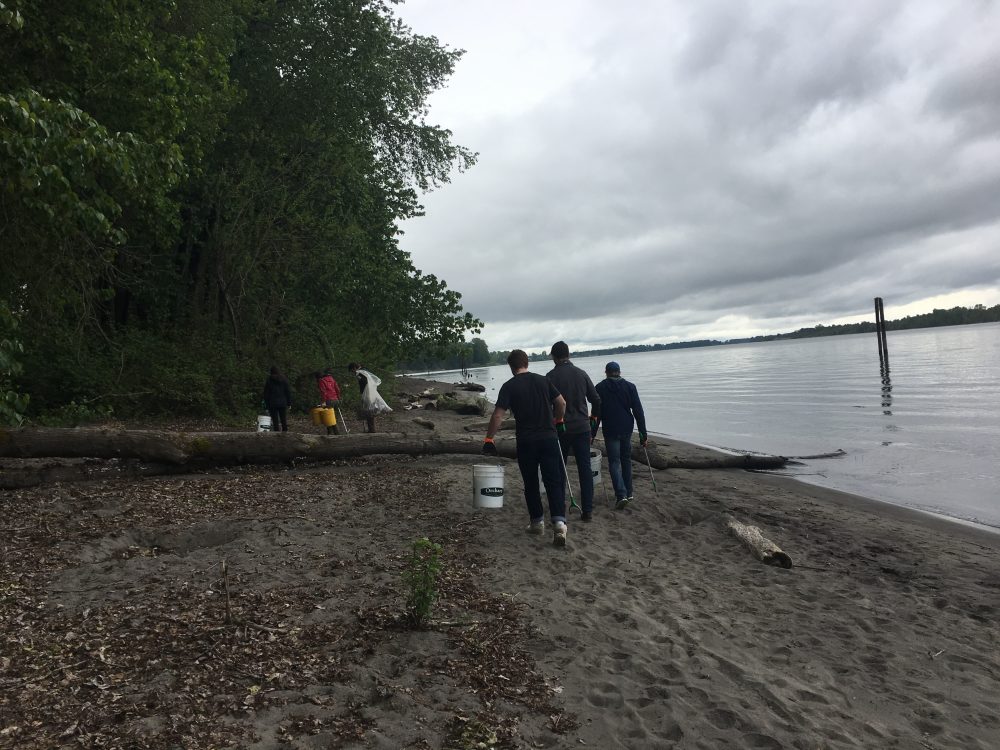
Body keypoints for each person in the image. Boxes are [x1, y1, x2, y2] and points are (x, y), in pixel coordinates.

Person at [482, 349, 570, 547]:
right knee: (553, 481)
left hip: (526, 441)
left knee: (530, 483)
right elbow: (561, 402)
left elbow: (497, 415)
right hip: (548, 438)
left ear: (511, 366)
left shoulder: (509, 386)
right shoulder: (543, 380)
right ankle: (559, 524)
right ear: (527, 363)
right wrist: (559, 420)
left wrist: (489, 438)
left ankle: (537, 522)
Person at [546, 341, 601, 522]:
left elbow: (547, 406)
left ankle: (560, 510)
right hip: (582, 428)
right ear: (568, 355)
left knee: (559, 469)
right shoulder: (581, 374)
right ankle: (587, 510)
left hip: (560, 429)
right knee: (584, 469)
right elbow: (596, 400)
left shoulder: (551, 377)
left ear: (555, 357)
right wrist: (593, 420)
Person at [593, 361, 647, 509]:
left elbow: (596, 414)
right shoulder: (630, 387)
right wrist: (643, 433)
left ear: (606, 372)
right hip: (626, 428)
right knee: (626, 460)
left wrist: (592, 434)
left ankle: (621, 495)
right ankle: (628, 492)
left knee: (614, 462)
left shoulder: (599, 388)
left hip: (610, 430)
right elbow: (638, 411)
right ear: (619, 372)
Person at [347, 363, 392, 432]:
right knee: (370, 411)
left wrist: (359, 378)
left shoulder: (360, 373)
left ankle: (372, 430)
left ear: (354, 368)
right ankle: (371, 429)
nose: (352, 372)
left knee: (369, 412)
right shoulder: (364, 371)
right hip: (370, 394)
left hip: (367, 395)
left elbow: (365, 383)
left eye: (352, 371)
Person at [262, 366, 292, 432]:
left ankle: (276, 434)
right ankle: (285, 433)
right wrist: (289, 403)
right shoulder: (284, 380)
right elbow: (288, 392)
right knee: (283, 419)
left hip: (272, 403)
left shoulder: (269, 380)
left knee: (275, 421)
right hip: (282, 403)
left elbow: (266, 394)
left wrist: (266, 406)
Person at [313, 370, 341, 435]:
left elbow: (323, 392)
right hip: (336, 400)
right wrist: (338, 398)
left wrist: (323, 401)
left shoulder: (321, 381)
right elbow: (337, 389)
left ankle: (333, 434)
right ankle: (333, 433)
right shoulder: (331, 378)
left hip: (329, 400)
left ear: (317, 377)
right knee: (334, 417)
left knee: (328, 417)